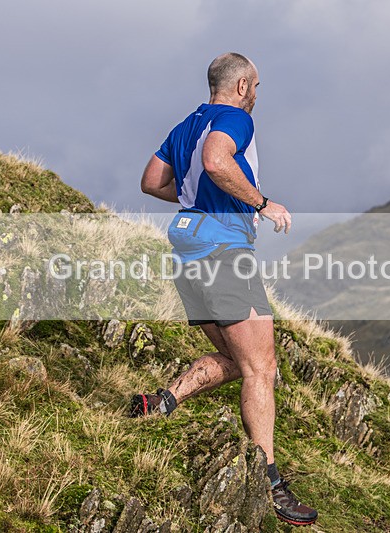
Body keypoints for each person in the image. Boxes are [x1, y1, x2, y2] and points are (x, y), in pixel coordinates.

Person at [135, 52, 316, 527]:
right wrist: (261, 203)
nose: (257, 94)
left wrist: (197, 196)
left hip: (187, 247)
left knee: (240, 360)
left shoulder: (185, 125)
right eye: (256, 85)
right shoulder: (236, 118)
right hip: (222, 249)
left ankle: (162, 402)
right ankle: (269, 481)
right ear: (240, 87)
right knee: (262, 368)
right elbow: (217, 161)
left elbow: (152, 182)